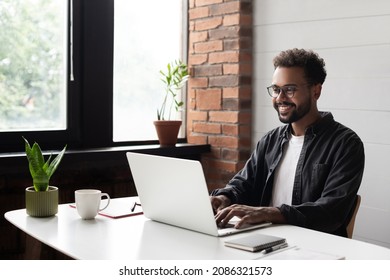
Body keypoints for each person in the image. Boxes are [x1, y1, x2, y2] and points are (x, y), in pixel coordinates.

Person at [211, 48, 365, 237]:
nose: (280, 98)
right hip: (264, 240)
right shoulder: (270, 140)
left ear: (316, 91)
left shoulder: (346, 144)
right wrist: (223, 197)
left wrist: (269, 212)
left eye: (290, 89)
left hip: (315, 246)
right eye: (276, 89)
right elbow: (244, 183)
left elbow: (331, 211)